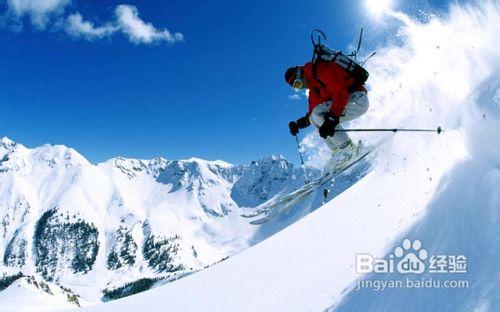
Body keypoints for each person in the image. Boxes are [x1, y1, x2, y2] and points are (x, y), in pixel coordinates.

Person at [285, 60, 369, 171]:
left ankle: (348, 149)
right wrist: (298, 125)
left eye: (298, 83)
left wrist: (331, 118)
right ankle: (338, 152)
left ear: (301, 74)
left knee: (318, 114)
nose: (300, 88)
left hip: (358, 99)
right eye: (296, 87)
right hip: (346, 103)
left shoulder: (322, 69)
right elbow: (312, 117)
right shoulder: (313, 91)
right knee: (314, 117)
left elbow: (340, 93)